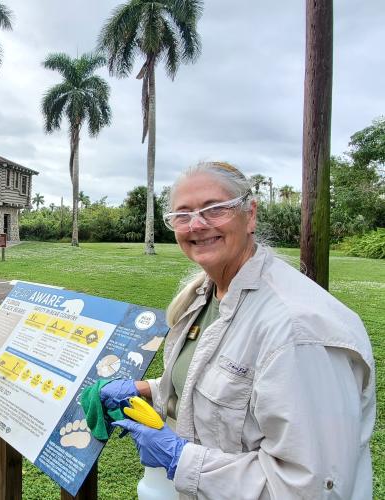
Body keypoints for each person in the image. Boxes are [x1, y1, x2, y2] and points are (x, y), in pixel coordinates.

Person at [100, 162, 374, 499]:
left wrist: (181, 460)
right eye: (182, 215)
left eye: (214, 209)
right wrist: (146, 389)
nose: (197, 225)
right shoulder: (207, 296)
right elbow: (221, 387)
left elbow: (310, 488)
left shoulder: (298, 330)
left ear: (251, 214)